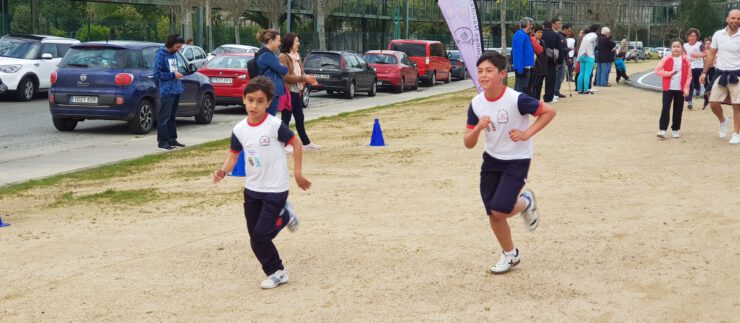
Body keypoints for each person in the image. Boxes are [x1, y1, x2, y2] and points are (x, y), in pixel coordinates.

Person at [212, 76, 312, 289]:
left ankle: (285, 216)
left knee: (260, 235)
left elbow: (296, 143)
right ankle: (277, 272)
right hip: (252, 189)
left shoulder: (274, 125)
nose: (254, 105)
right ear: (243, 100)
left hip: (276, 188)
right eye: (250, 100)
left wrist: (297, 172)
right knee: (255, 238)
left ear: (268, 103)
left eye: (259, 101)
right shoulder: (239, 129)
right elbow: (233, 155)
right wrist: (223, 171)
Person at [464, 51, 556, 275]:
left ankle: (525, 201)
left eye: (489, 71)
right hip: (491, 161)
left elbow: (549, 112)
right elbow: (468, 143)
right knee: (492, 214)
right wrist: (477, 128)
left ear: (502, 74)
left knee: (500, 209)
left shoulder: (517, 99)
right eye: (480, 72)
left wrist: (527, 133)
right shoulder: (476, 104)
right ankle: (510, 254)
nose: (483, 76)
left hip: (516, 160)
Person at [700, 9, 740, 144]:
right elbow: (711, 54)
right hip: (721, 73)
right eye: (733, 18)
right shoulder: (718, 34)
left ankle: (736, 133)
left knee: (737, 105)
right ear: (727, 19)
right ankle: (723, 120)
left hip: (738, 74)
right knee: (713, 102)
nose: (735, 21)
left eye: (738, 19)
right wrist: (704, 72)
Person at [278, 32, 320, 153]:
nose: (298, 43)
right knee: (286, 118)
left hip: (297, 91)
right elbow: (286, 76)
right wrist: (303, 78)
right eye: (296, 41)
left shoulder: (297, 56)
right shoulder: (283, 57)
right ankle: (284, 144)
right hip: (288, 91)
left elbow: (301, 74)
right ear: (290, 43)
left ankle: (306, 143)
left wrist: (309, 78)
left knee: (299, 117)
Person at [153, 33, 186, 151]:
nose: (179, 49)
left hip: (176, 89)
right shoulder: (160, 55)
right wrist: (173, 75)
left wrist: (179, 74)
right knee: (164, 117)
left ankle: (172, 138)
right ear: (171, 44)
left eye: (180, 46)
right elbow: (157, 74)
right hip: (166, 90)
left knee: (172, 116)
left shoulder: (174, 54)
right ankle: (162, 142)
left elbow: (174, 70)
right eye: (177, 46)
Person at [654, 39, 691, 139]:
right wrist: (669, 73)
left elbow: (689, 76)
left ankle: (675, 129)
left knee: (678, 109)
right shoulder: (666, 58)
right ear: (671, 48)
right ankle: (662, 130)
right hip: (668, 88)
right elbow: (657, 71)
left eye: (678, 46)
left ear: (682, 48)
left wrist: (686, 88)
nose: (676, 48)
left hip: (680, 89)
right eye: (674, 46)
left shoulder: (686, 60)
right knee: (665, 108)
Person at [255, 29, 288, 116]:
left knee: (267, 117)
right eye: (278, 40)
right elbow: (283, 70)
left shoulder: (265, 53)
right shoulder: (267, 55)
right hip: (270, 90)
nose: (280, 43)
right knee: (269, 118)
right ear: (270, 41)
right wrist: (283, 65)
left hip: (268, 90)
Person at [683, 28, 706, 109]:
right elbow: (683, 54)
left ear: (697, 37)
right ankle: (689, 101)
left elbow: (706, 53)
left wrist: (698, 55)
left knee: (697, 82)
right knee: (690, 83)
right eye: (690, 36)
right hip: (689, 67)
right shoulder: (685, 45)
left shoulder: (700, 45)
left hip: (699, 66)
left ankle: (698, 88)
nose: (692, 37)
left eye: (694, 36)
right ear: (688, 37)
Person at [512, 17, 535, 95]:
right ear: (528, 25)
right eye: (531, 24)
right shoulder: (520, 34)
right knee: (520, 89)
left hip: (526, 66)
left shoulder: (524, 34)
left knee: (524, 88)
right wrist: (520, 68)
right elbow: (519, 52)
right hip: (523, 67)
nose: (532, 26)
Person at [542, 20, 562, 103]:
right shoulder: (556, 35)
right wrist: (560, 60)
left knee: (538, 79)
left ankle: (535, 96)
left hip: (541, 59)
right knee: (550, 79)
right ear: (551, 26)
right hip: (551, 59)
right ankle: (548, 97)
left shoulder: (540, 34)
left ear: (543, 26)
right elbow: (559, 48)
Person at [577, 24, 599, 94]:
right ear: (597, 30)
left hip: (582, 56)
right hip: (589, 55)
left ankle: (580, 89)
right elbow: (589, 41)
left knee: (581, 73)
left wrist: (579, 56)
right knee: (587, 74)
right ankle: (586, 90)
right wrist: (586, 51)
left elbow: (581, 46)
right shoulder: (594, 35)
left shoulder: (586, 35)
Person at [528, 26, 547, 100]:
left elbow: (545, 55)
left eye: (541, 32)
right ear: (534, 33)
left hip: (542, 66)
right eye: (538, 32)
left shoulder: (542, 42)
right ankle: (533, 99)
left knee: (540, 85)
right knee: (534, 85)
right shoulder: (531, 41)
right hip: (535, 66)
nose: (540, 34)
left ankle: (537, 100)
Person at [702, 37, 716, 109]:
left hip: (712, 68)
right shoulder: (702, 51)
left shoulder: (713, 51)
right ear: (704, 44)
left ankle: (708, 95)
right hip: (704, 69)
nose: (708, 45)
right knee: (705, 82)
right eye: (706, 44)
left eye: (709, 44)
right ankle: (707, 95)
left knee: (711, 81)